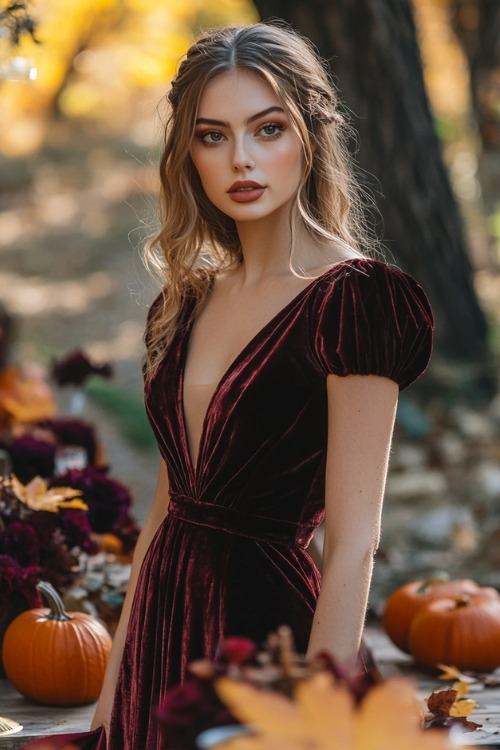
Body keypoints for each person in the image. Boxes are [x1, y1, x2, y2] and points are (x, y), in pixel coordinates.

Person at [25, 21, 433, 750]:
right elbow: (163, 514)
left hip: (265, 649)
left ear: (309, 135)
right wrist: (106, 713)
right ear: (189, 153)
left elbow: (353, 541)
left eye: (266, 129)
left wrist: (318, 723)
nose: (240, 159)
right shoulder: (185, 301)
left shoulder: (355, 301)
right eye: (213, 136)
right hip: (156, 642)